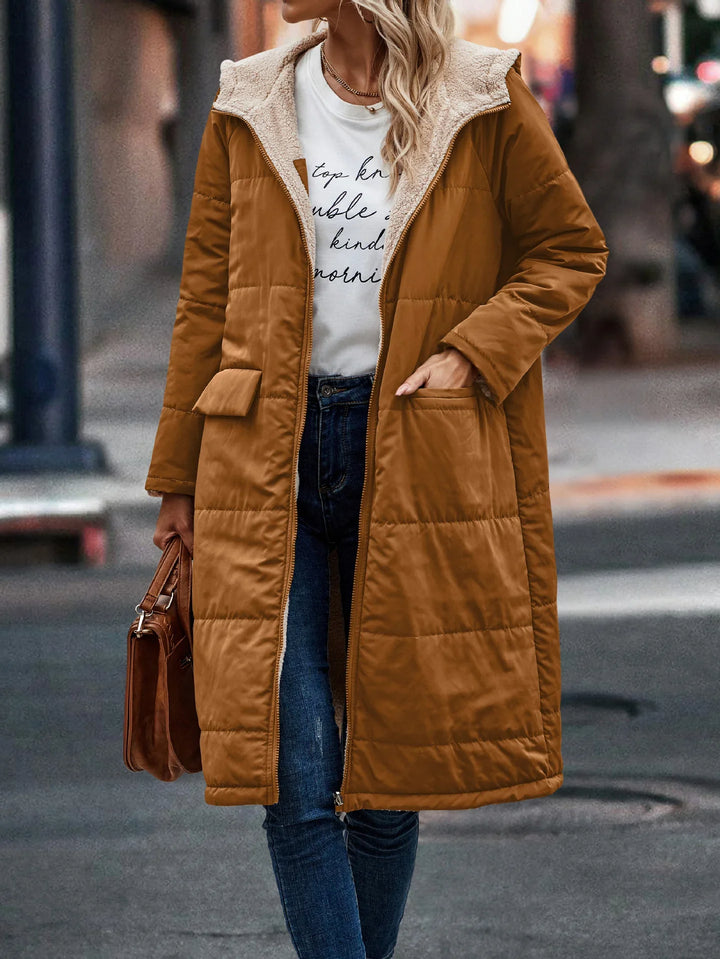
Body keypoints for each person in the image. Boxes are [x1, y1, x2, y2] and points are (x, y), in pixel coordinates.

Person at [146, 2, 608, 957]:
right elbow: (204, 301)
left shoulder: (481, 96)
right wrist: (177, 479)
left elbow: (571, 249)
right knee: (295, 780)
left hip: (415, 447)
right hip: (261, 452)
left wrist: (471, 355)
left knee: (389, 779)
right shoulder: (250, 101)